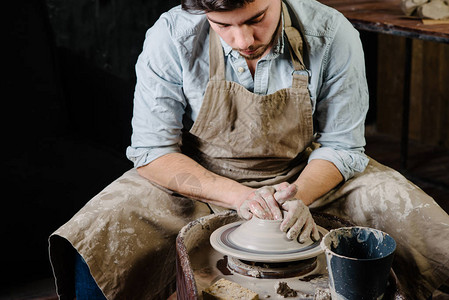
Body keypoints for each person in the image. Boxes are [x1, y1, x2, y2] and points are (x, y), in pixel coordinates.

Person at [49, 0, 449, 299]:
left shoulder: (330, 32)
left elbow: (342, 145)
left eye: (256, 18)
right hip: (199, 177)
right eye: (223, 25)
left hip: (305, 172)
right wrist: (241, 197)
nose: (243, 40)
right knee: (95, 237)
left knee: (431, 233)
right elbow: (154, 151)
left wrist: (297, 197)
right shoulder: (171, 35)